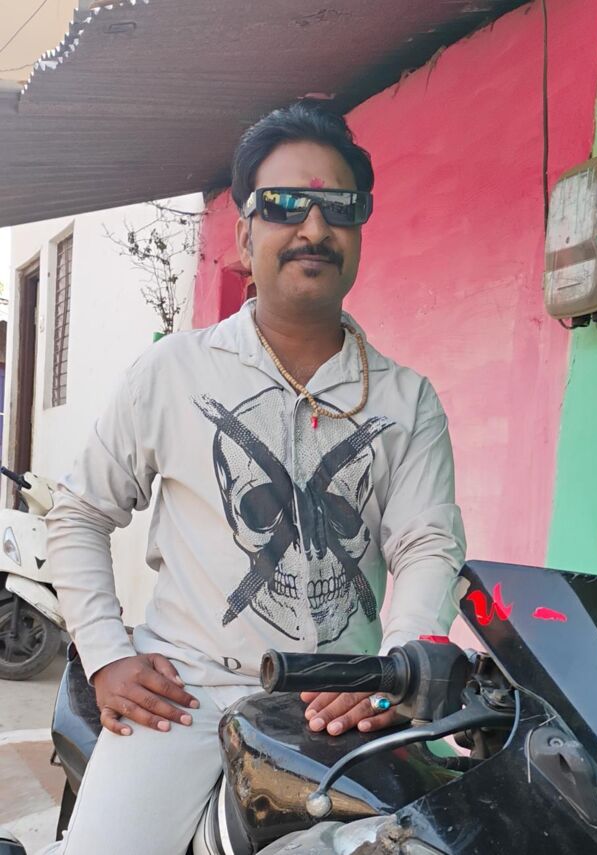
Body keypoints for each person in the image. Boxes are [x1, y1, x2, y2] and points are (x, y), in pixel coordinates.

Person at [39, 101, 466, 854]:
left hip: (336, 705)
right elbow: (79, 510)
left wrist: (393, 671)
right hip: (182, 695)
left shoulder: (406, 401)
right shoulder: (174, 370)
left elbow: (429, 543)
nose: (313, 227)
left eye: (338, 208)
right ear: (244, 234)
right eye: (284, 205)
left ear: (359, 230)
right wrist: (105, 652)